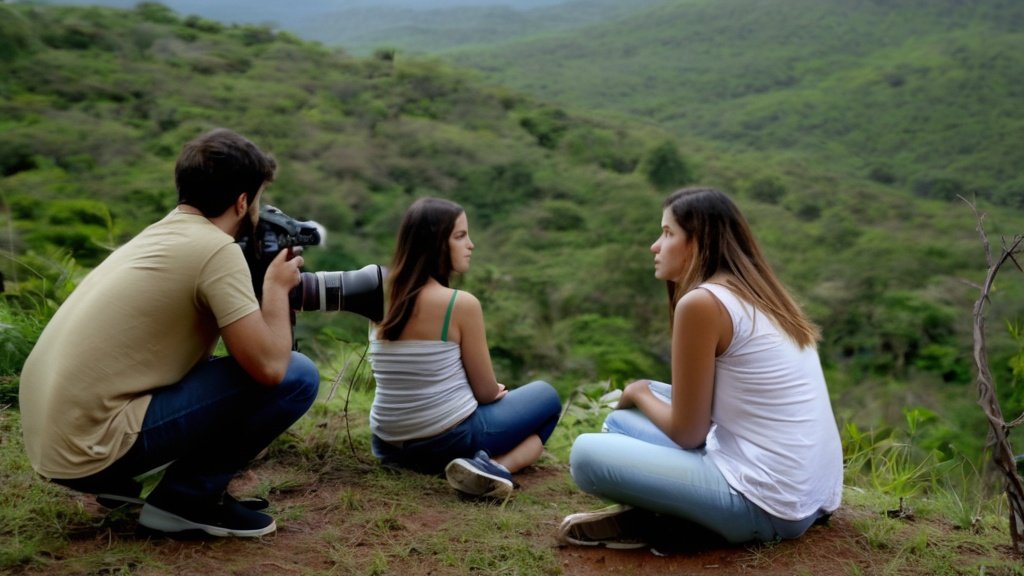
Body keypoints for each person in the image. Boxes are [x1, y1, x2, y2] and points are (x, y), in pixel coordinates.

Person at [19, 128, 320, 538]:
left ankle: (128, 486)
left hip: (54, 441)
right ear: (243, 201)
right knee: (297, 376)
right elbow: (269, 368)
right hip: (93, 447)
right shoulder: (215, 250)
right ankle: (187, 501)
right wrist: (275, 291)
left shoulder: (157, 235)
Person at [560, 187, 843, 549]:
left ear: (696, 244)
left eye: (666, 233)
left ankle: (683, 521)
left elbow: (688, 433)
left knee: (586, 454)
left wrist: (638, 391)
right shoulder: (759, 294)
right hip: (811, 493)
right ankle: (681, 515)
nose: (655, 246)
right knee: (616, 424)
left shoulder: (702, 303)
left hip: (769, 503)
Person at [367, 197, 562, 499]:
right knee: (547, 398)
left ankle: (481, 468)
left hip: (386, 444)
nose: (470, 244)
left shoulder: (379, 296)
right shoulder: (460, 304)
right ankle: (494, 467)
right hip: (445, 441)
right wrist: (492, 391)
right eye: (460, 236)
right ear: (435, 244)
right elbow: (485, 393)